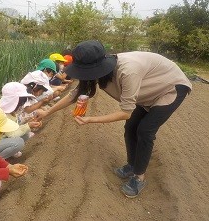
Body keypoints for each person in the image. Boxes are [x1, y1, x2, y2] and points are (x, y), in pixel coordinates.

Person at [36, 40, 192, 198]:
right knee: (131, 127)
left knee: (145, 130)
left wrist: (91, 119)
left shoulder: (128, 71)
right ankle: (132, 165)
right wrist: (47, 112)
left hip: (169, 87)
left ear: (96, 68)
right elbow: (74, 95)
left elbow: (126, 112)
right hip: (146, 90)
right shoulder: (99, 70)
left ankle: (139, 177)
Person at [0, 82, 42, 156]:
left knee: (25, 135)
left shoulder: (12, 113)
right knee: (18, 143)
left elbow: (14, 129)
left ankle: (9, 153)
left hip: (3, 139)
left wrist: (29, 124)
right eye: (21, 102)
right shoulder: (4, 115)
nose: (22, 105)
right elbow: (12, 135)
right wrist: (28, 126)